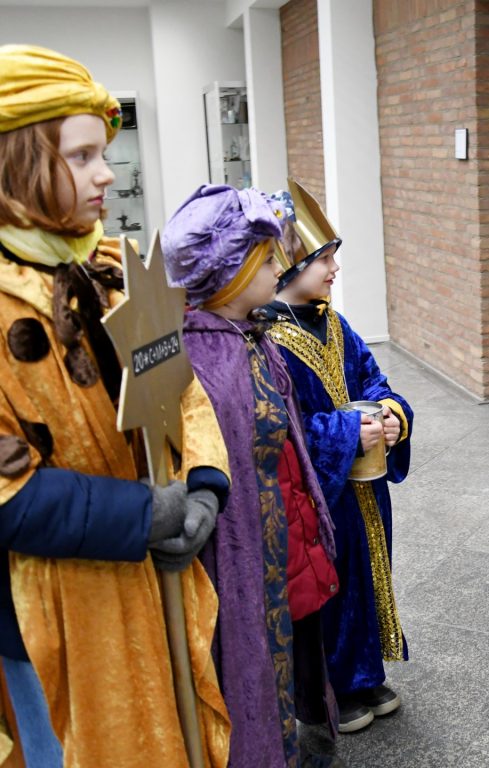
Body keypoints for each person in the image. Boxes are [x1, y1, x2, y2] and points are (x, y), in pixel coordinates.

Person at [0, 45, 230, 766]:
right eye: (81, 156)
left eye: (105, 152)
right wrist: (141, 515)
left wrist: (202, 486)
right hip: (54, 608)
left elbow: (181, 388)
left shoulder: (117, 265)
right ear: (15, 163)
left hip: (153, 578)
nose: (107, 173)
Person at [162, 184, 340, 768]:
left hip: (279, 532)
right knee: (249, 659)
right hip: (241, 548)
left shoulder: (253, 337)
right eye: (265, 260)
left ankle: (288, 742)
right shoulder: (203, 356)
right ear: (230, 273)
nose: (277, 268)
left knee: (282, 650)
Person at [264, 183, 413, 733]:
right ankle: (333, 684)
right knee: (332, 579)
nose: (334, 269)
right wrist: (351, 427)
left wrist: (393, 412)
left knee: (371, 572)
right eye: (324, 258)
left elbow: (372, 378)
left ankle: (365, 671)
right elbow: (285, 428)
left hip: (364, 486)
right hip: (320, 491)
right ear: (288, 263)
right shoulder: (270, 341)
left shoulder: (334, 323)